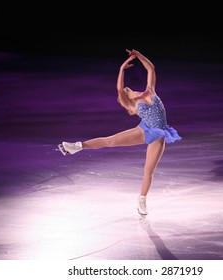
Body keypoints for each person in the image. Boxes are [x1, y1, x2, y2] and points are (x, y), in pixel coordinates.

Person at [58, 49, 182, 217]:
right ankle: (77, 146)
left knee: (149, 171)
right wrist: (122, 69)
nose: (127, 88)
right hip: (144, 130)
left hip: (159, 134)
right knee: (110, 141)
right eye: (126, 90)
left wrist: (138, 55)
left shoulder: (150, 90)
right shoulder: (133, 105)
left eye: (127, 88)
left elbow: (151, 68)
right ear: (127, 97)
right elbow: (118, 88)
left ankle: (142, 200)